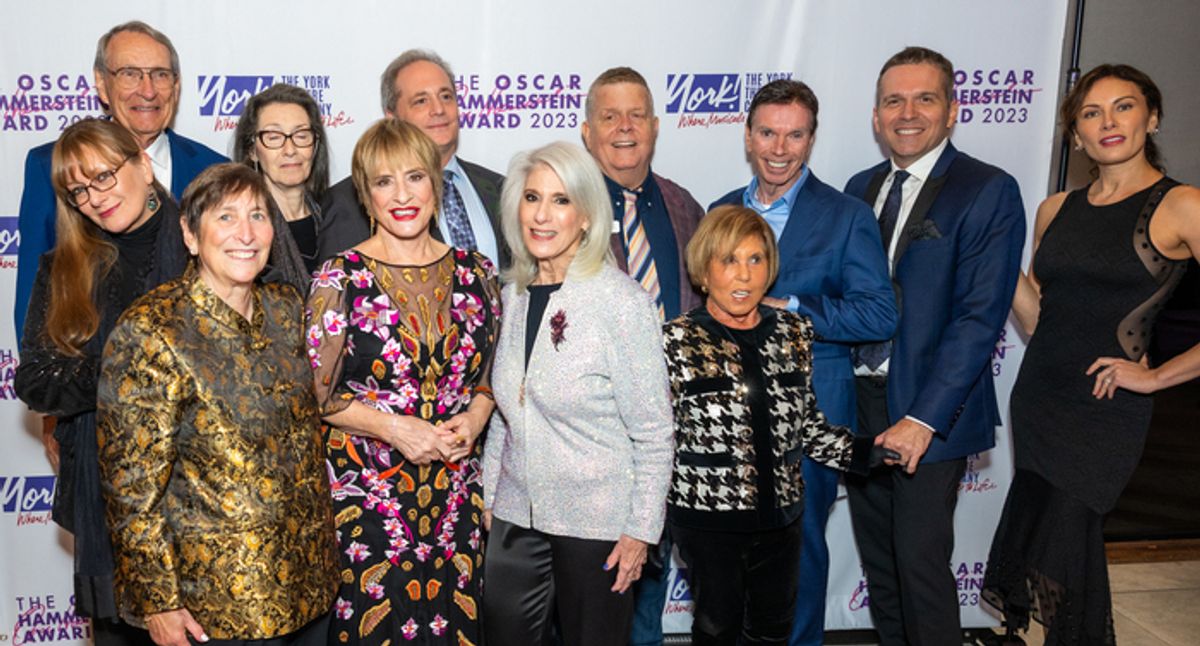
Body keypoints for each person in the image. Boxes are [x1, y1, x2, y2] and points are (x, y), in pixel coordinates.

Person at [982, 64, 1200, 645]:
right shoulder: (1055, 209)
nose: (1108, 123)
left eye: (1123, 107)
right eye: (1091, 113)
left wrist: (1157, 379)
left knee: (1071, 539)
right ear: (1075, 133)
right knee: (1050, 548)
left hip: (1106, 406)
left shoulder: (1181, 205)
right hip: (1041, 397)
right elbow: (1038, 316)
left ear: (1151, 118)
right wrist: (995, 261)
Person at [95, 162, 339, 646]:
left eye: (258, 215)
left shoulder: (287, 307)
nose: (245, 233)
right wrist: (159, 603)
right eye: (225, 218)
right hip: (218, 609)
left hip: (309, 589)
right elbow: (131, 491)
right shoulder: (152, 330)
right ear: (190, 234)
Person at [842, 46, 1026, 645]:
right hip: (860, 406)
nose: (908, 112)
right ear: (876, 116)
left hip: (929, 412)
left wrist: (922, 419)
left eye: (925, 98)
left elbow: (980, 317)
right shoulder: (860, 187)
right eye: (894, 100)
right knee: (882, 564)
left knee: (919, 565)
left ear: (952, 111)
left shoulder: (987, 189)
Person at [710, 78, 896, 646]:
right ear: (748, 136)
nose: (779, 148)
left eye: (794, 135)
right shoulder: (720, 211)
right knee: (728, 554)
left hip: (812, 412)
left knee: (799, 550)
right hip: (725, 415)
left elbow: (878, 315)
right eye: (768, 132)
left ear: (811, 140)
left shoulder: (845, 215)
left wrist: (789, 305)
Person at [305, 118, 500, 645]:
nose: (402, 195)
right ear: (366, 195)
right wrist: (394, 429)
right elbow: (317, 397)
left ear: (436, 183)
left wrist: (477, 417)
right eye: (383, 182)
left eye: (414, 177)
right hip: (368, 500)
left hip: (456, 495)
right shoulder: (338, 278)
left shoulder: (478, 272)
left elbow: (488, 377)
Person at [663, 205, 890, 646]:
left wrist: (869, 450)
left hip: (782, 520)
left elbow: (808, 427)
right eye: (729, 260)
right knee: (717, 632)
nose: (744, 275)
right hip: (709, 524)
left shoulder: (794, 331)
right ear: (704, 271)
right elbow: (658, 440)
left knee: (773, 634)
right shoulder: (674, 339)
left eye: (755, 260)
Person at [481, 141, 673, 646]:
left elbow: (654, 433)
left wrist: (640, 531)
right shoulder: (512, 296)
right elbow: (507, 410)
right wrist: (488, 495)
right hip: (515, 515)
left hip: (599, 525)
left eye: (561, 201)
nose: (542, 215)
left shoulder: (621, 303)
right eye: (532, 198)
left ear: (586, 217)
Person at [13, 118, 190, 646]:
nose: (94, 198)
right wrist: (125, 366)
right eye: (79, 190)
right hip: (107, 501)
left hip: (206, 495)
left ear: (140, 160)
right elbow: (38, 381)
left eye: (104, 177)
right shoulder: (64, 267)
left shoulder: (204, 238)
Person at [579, 65, 705, 643]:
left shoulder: (684, 206)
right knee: (595, 594)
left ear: (655, 127)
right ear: (587, 132)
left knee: (651, 587)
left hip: (671, 433)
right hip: (595, 441)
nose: (624, 128)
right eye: (610, 116)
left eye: (636, 116)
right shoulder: (563, 210)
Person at [15, 20, 225, 339]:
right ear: (101, 84)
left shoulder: (216, 169)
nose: (148, 90)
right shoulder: (49, 166)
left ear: (177, 86)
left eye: (160, 74)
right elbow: (32, 306)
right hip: (87, 377)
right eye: (130, 73)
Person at [319, 49, 507, 267]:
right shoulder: (346, 203)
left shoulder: (501, 188)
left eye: (446, 96)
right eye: (421, 101)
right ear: (392, 117)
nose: (438, 109)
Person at [232, 83, 331, 280]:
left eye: (301, 135)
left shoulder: (335, 215)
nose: (290, 150)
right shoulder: (244, 229)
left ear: (315, 145)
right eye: (274, 137)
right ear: (252, 150)